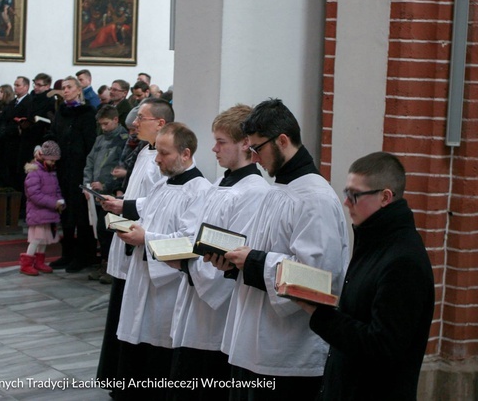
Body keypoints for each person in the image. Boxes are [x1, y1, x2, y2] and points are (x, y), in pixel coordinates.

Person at [218, 98, 350, 399]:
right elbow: (261, 249)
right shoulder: (279, 189)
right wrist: (232, 262)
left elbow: (318, 278)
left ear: (282, 140)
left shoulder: (315, 198)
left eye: (257, 148)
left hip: (288, 352)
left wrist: (252, 261)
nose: (254, 158)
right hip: (257, 339)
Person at [298, 152, 435, 400]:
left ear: (385, 197)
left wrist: (320, 315)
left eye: (355, 195)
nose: (346, 203)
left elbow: (382, 346)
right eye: (346, 193)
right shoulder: (373, 242)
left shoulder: (403, 260)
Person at [168, 104, 271, 401]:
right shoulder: (219, 184)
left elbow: (233, 252)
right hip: (195, 297)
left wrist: (188, 266)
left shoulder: (254, 192)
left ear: (245, 144)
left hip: (216, 309)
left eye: (221, 142)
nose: (213, 148)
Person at [114, 122, 212, 399]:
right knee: (135, 348)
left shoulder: (200, 190)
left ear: (185, 153)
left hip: (166, 288)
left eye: (164, 153)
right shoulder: (162, 185)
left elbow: (190, 242)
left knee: (157, 357)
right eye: (157, 151)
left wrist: (145, 238)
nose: (156, 159)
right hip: (141, 279)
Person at [95, 97, 173, 384]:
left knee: (135, 319)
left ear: (161, 123)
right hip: (126, 233)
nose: (135, 122)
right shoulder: (143, 151)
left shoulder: (162, 159)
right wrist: (120, 203)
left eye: (142, 117)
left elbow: (159, 202)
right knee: (120, 313)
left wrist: (124, 206)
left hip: (140, 241)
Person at [45, 76, 97, 272]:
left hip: (80, 169)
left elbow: (90, 143)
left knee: (81, 214)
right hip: (63, 168)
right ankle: (67, 253)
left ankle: (85, 255)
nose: (65, 90)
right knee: (65, 212)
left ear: (78, 90)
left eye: (69, 87)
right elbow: (52, 134)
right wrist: (46, 148)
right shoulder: (61, 112)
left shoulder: (87, 112)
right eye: (63, 88)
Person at [82, 104, 129, 284]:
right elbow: (90, 161)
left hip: (112, 193)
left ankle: (111, 266)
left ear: (116, 120)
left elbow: (121, 168)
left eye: (106, 123)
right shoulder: (100, 139)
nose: (103, 127)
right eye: (101, 124)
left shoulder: (123, 139)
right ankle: (104, 263)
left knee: (109, 230)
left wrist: (106, 184)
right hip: (96, 192)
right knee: (100, 231)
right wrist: (88, 184)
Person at [20, 140, 66, 276]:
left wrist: (60, 201)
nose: (53, 163)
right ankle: (26, 263)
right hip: (38, 212)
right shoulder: (34, 172)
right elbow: (34, 194)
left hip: (48, 212)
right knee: (37, 239)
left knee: (45, 239)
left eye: (54, 161)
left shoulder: (51, 172)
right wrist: (53, 203)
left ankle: (39, 261)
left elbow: (56, 189)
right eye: (51, 160)